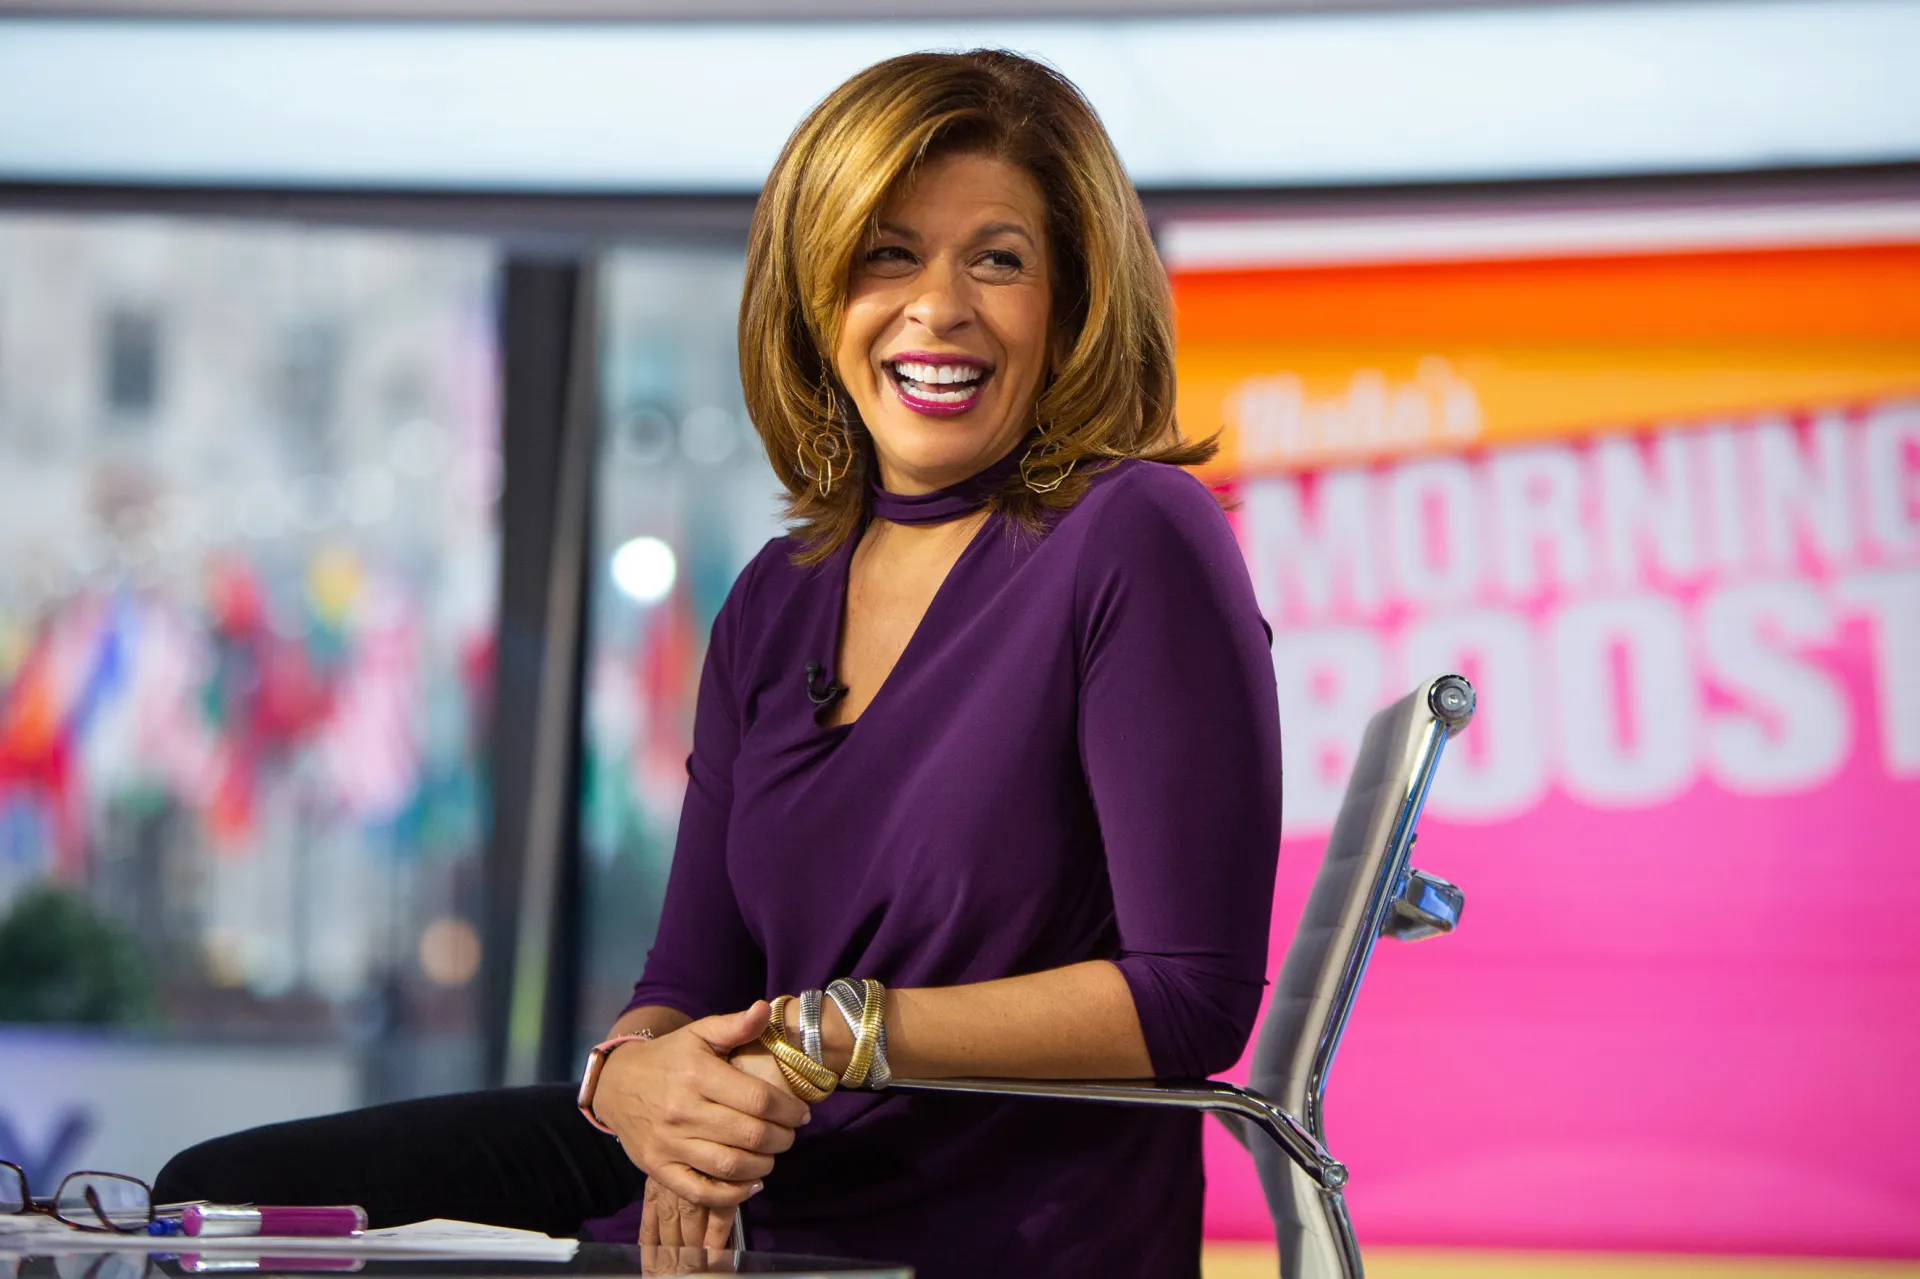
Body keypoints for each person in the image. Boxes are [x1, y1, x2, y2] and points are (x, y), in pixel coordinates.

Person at [156, 49, 1281, 1279]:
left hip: (956, 1236)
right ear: (813, 292)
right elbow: (689, 980)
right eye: (887, 254)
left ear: (1074, 302)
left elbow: (1190, 996)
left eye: (998, 260)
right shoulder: (774, 596)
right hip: (751, 1182)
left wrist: (835, 1034)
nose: (938, 308)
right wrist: (638, 1083)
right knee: (214, 1200)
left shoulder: (1134, 534)